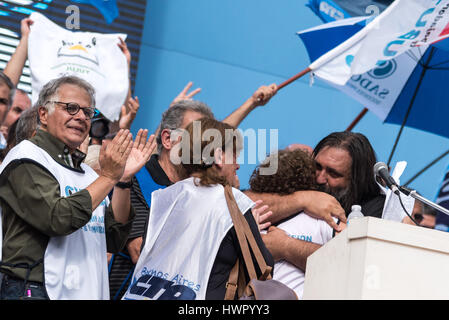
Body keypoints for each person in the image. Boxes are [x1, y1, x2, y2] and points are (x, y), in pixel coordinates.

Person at [108, 83, 278, 299]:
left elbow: (219, 140)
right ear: (168, 139)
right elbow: (261, 267)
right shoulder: (139, 180)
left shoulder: (169, 194)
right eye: (193, 134)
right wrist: (239, 227)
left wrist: (251, 103)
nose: (238, 164)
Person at [0, 75, 155, 300]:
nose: (81, 117)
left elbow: (113, 239)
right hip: (36, 290)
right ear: (43, 114)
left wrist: (123, 180)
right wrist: (110, 176)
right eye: (71, 108)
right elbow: (58, 218)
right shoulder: (26, 157)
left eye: (87, 112)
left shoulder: (88, 174)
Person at [249, 148, 342, 299]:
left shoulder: (325, 219)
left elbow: (344, 263)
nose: (321, 178)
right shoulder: (248, 217)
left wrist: (285, 245)